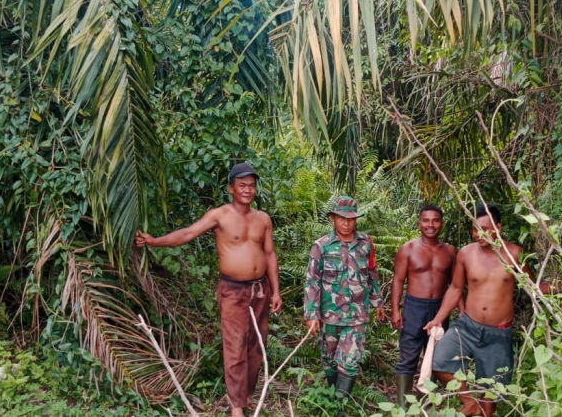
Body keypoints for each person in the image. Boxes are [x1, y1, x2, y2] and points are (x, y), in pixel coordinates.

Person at [134, 162, 282, 417]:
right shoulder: (219, 215)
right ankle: (237, 407)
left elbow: (269, 254)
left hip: (260, 290)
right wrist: (154, 241)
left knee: (256, 344)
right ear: (231, 188)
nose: (247, 190)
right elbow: (187, 234)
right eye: (242, 185)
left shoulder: (263, 219)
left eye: (251, 186)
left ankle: (246, 394)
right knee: (235, 345)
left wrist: (276, 291)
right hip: (233, 290)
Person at [423, 203, 554, 417]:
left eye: (484, 229)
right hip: (467, 327)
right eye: (475, 229)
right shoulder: (466, 253)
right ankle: (469, 403)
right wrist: (438, 319)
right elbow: (455, 288)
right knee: (440, 363)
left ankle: (482, 409)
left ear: (498, 227)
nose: (478, 234)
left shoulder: (514, 254)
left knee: (491, 394)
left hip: (498, 334)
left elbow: (533, 287)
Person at [303, 196, 386, 398]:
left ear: (356, 219)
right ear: (333, 218)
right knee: (329, 360)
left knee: (350, 361)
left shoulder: (366, 243)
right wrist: (311, 315)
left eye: (350, 219)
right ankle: (333, 399)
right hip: (329, 314)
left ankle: (340, 405)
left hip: (357, 314)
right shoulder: (321, 246)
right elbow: (312, 281)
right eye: (341, 218)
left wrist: (378, 302)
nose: (346, 223)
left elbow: (372, 273)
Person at [390, 204, 462, 406]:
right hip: (414, 307)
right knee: (408, 357)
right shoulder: (408, 249)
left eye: (435, 220)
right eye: (426, 220)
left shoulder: (450, 251)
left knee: (436, 357)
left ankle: (423, 404)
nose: (431, 225)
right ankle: (402, 407)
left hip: (440, 308)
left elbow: (456, 285)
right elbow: (398, 280)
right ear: (419, 223)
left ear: (442, 223)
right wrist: (395, 310)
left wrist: (462, 310)